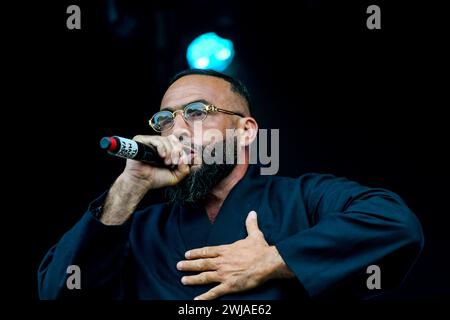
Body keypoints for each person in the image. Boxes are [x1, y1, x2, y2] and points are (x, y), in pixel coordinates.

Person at [38, 69, 424, 300]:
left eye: (196, 112)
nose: (180, 128)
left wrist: (276, 260)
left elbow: (395, 223)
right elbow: (60, 290)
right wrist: (130, 184)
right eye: (166, 119)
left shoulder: (302, 198)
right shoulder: (138, 229)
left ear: (245, 130)